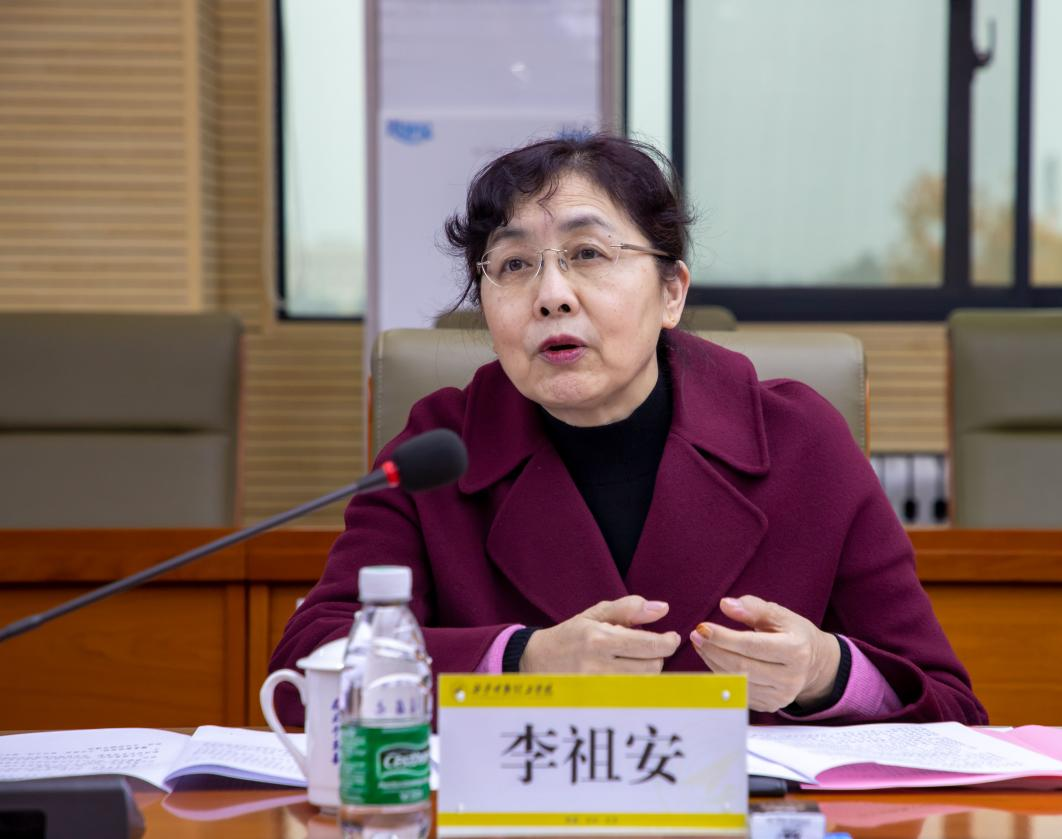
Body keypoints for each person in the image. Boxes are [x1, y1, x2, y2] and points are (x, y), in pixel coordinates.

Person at [270, 133, 985, 727]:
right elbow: (306, 674)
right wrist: (520, 663)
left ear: (672, 291)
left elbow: (952, 711)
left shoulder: (802, 443)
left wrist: (825, 672)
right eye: (514, 265)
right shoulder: (438, 453)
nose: (551, 296)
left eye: (588, 254)